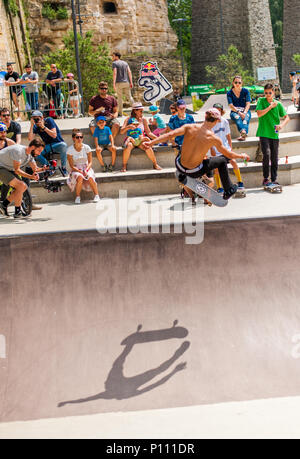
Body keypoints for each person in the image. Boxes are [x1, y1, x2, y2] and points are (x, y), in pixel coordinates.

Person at [144, 108, 250, 200]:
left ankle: (183, 175)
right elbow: (229, 154)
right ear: (218, 121)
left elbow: (169, 134)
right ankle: (228, 190)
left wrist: (151, 142)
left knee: (183, 147)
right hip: (195, 171)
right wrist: (241, 156)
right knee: (222, 160)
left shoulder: (189, 127)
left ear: (205, 117)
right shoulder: (213, 138)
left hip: (179, 165)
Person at [256, 83, 290, 188]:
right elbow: (259, 113)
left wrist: (281, 125)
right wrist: (270, 107)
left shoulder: (278, 104)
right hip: (263, 132)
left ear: (273, 92)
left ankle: (274, 179)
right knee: (266, 154)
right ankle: (266, 178)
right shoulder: (261, 101)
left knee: (274, 157)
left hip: (274, 134)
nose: (268, 95)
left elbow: (287, 117)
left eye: (270, 93)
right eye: (266, 93)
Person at [0, 139, 45, 218]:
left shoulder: (30, 155)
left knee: (22, 187)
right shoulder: (18, 151)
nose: (39, 153)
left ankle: (5, 205)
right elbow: (17, 170)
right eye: (39, 151)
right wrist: (31, 177)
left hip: (9, 168)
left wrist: (44, 168)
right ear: (33, 147)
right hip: (1, 167)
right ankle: (14, 210)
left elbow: (35, 169)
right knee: (21, 185)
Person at [211, 103, 245, 194]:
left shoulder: (224, 121)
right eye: (215, 110)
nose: (217, 111)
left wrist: (230, 149)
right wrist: (212, 150)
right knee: (217, 169)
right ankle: (219, 187)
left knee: (233, 161)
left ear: (221, 111)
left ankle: (240, 182)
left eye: (219, 110)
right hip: (216, 150)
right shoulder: (211, 123)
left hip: (225, 148)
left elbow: (228, 136)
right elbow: (209, 139)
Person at [120, 102, 161, 172]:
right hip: (131, 139)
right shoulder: (128, 119)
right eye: (141, 110)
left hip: (140, 139)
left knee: (147, 146)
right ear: (135, 111)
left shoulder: (143, 119)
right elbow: (121, 132)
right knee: (128, 146)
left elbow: (149, 133)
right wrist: (128, 127)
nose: (142, 112)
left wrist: (158, 139)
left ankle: (155, 164)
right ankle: (124, 165)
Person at [28, 110, 68, 176]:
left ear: (42, 117)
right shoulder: (35, 126)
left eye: (37, 118)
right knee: (35, 153)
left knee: (63, 145)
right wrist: (32, 125)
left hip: (57, 144)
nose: (36, 120)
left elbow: (54, 135)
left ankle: (64, 168)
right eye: (34, 119)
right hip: (47, 146)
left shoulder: (49, 120)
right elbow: (30, 138)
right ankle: (50, 167)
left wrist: (44, 127)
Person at [67, 129, 99, 204]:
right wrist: (80, 171)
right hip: (76, 168)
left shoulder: (87, 147)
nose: (79, 139)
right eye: (77, 137)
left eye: (81, 137)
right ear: (73, 138)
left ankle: (97, 195)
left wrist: (86, 170)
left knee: (90, 176)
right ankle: (78, 197)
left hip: (86, 167)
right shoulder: (70, 150)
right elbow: (71, 166)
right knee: (79, 177)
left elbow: (90, 162)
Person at [227, 76, 251, 141]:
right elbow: (231, 105)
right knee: (237, 118)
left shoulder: (245, 91)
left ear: (242, 83)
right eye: (236, 82)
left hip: (245, 110)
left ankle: (243, 134)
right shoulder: (229, 93)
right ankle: (243, 132)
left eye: (239, 82)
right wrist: (239, 113)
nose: (237, 84)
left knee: (246, 119)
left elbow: (248, 103)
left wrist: (245, 112)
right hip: (235, 111)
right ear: (233, 83)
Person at [112, 51, 134, 116]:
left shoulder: (114, 63)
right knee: (129, 97)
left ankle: (120, 113)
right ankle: (136, 110)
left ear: (116, 56)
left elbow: (115, 73)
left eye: (113, 56)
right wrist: (131, 82)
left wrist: (113, 83)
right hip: (126, 82)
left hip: (119, 82)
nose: (112, 57)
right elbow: (129, 72)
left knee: (119, 98)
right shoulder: (125, 63)